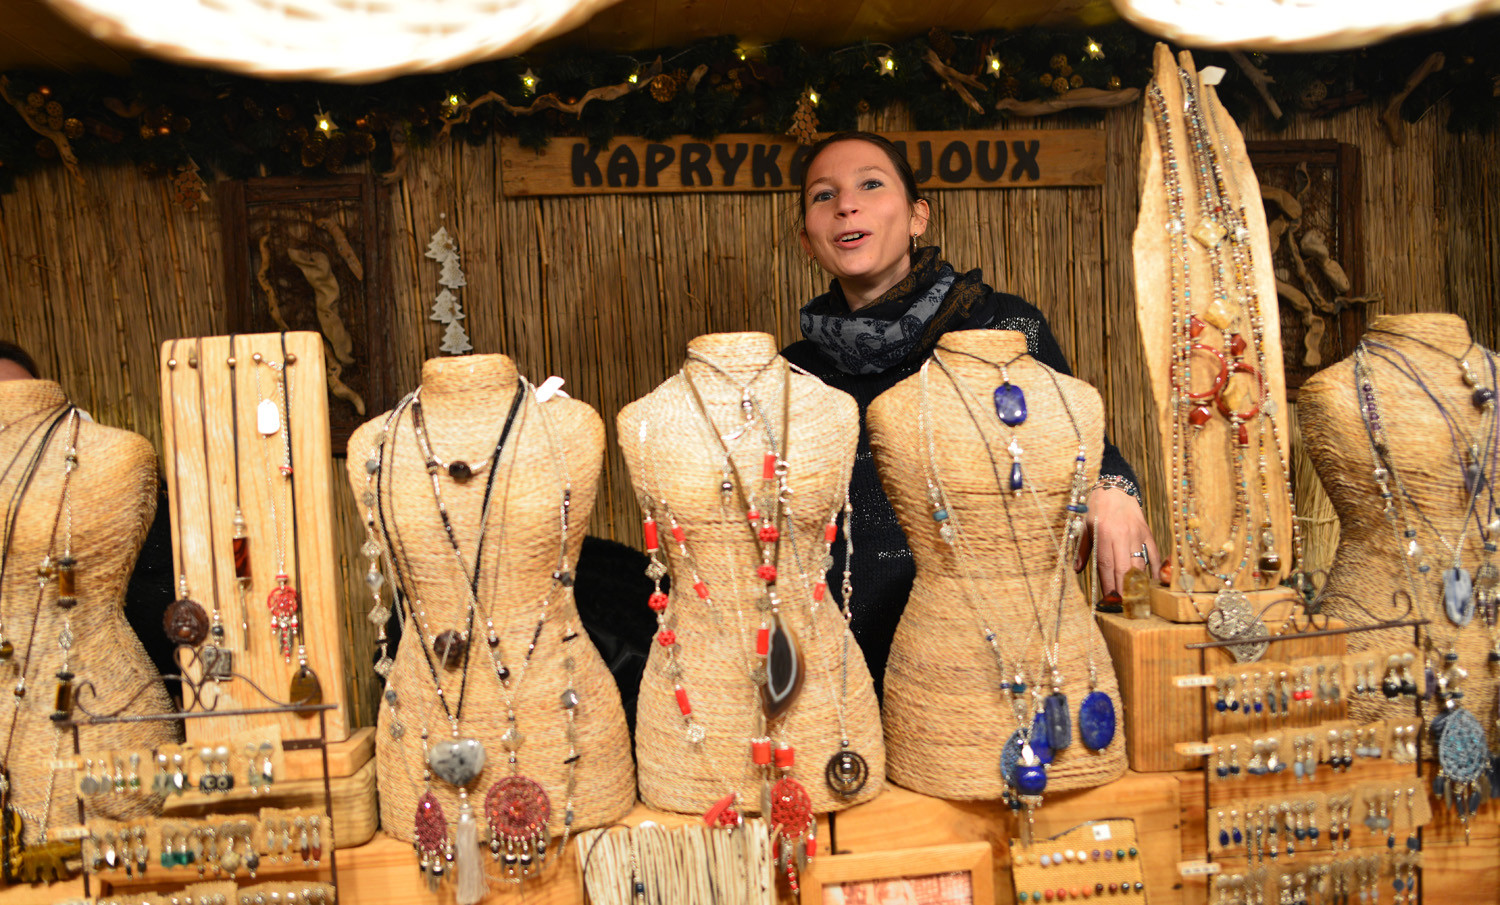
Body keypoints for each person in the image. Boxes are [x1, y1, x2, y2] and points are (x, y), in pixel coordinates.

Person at [779, 132, 1159, 696]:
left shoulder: (1003, 327)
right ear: (808, 241)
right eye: (823, 195)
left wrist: (1113, 491)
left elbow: (1087, 447)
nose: (846, 204)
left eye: (870, 184)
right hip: (839, 665)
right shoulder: (790, 373)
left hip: (984, 654)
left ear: (916, 217)